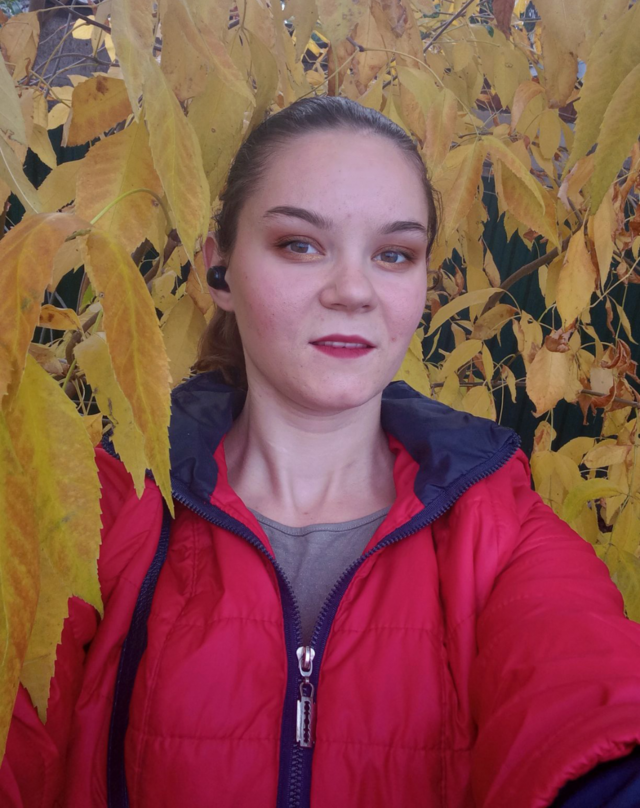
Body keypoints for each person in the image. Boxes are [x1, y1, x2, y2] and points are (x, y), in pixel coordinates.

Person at [2, 95, 640, 808]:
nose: (354, 291)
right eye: (300, 244)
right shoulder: (101, 509)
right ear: (220, 270)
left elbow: (591, 703)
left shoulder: (496, 526)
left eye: (394, 255)